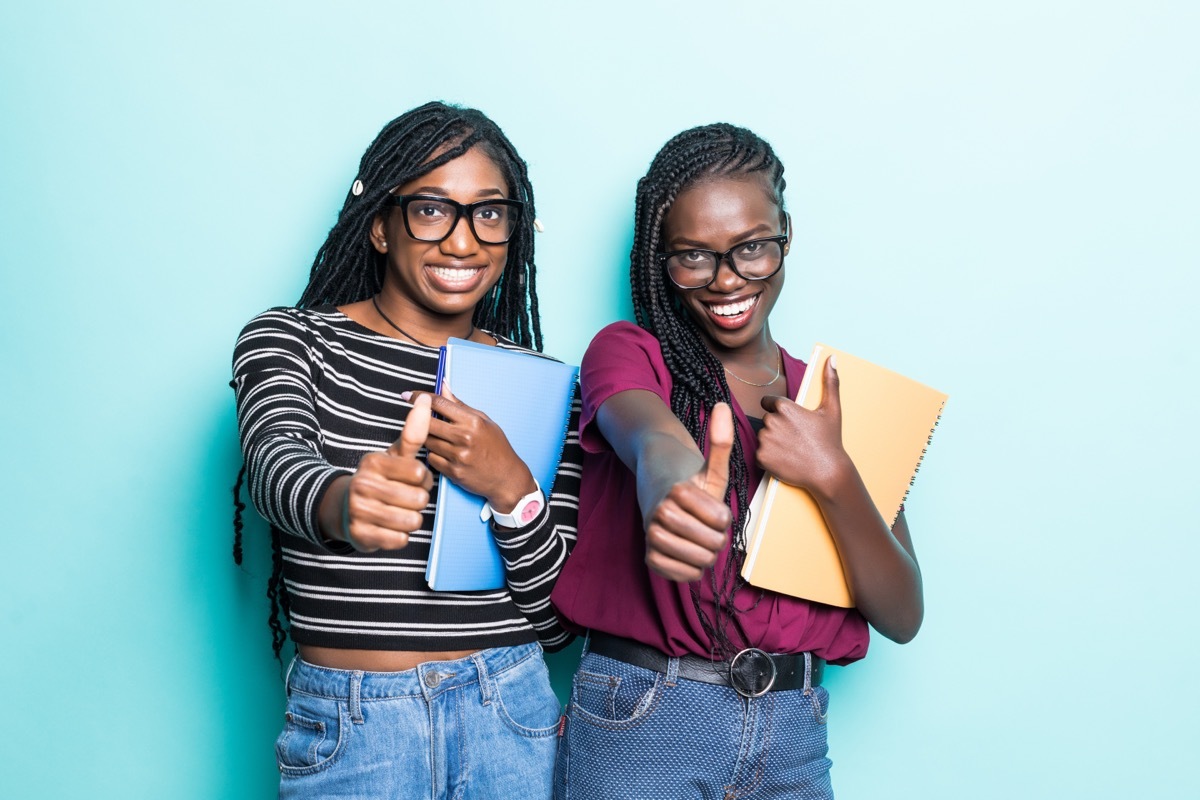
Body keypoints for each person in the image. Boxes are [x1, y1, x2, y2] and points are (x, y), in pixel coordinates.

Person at [550, 124, 924, 799]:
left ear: (787, 233)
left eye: (752, 248)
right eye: (693, 256)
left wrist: (832, 475)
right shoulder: (630, 351)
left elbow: (902, 613)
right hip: (646, 720)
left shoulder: (832, 400)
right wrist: (674, 494)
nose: (727, 281)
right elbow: (652, 439)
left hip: (793, 732)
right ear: (659, 260)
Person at [230, 101, 580, 800]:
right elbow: (277, 465)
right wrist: (343, 501)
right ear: (383, 227)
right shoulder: (295, 340)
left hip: (508, 711)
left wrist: (511, 489)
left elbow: (555, 617)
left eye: (489, 213)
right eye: (431, 210)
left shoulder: (542, 387)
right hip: (357, 725)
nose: (462, 241)